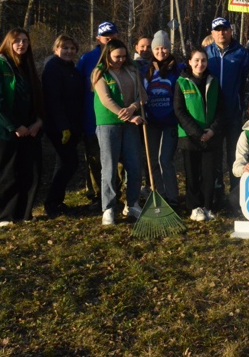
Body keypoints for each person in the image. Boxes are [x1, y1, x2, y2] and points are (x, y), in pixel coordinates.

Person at [0, 29, 43, 227]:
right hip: (0, 127)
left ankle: (22, 213)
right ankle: (2, 217)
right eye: (17, 41)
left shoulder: (28, 67)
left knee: (30, 170)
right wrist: (14, 125)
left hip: (28, 127)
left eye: (25, 41)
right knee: (5, 171)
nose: (22, 44)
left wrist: (38, 121)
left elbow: (37, 98)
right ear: (8, 43)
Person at [91, 38, 147, 225]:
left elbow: (142, 96)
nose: (120, 60)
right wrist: (129, 116)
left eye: (123, 56)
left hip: (130, 124)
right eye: (116, 56)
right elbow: (106, 100)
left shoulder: (132, 70)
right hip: (108, 123)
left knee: (134, 164)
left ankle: (132, 204)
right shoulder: (99, 73)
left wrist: (133, 107)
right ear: (107, 55)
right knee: (109, 166)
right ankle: (108, 207)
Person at [175, 48, 225, 222]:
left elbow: (220, 109)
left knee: (209, 174)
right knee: (192, 173)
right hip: (190, 137)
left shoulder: (213, 81)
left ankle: (207, 206)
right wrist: (196, 133)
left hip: (211, 135)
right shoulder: (181, 82)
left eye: (203, 60)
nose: (200, 64)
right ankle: (194, 207)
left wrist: (212, 130)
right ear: (189, 61)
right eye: (196, 60)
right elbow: (179, 110)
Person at [205, 17, 249, 198]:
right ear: (212, 33)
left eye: (224, 29)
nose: (221, 33)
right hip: (213, 115)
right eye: (217, 30)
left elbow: (247, 83)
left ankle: (236, 195)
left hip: (234, 113)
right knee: (214, 155)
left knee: (235, 155)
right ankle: (216, 193)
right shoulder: (207, 53)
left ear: (231, 31)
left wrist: (244, 109)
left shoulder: (241, 53)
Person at [41, 34, 84, 218]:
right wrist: (62, 126)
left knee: (63, 163)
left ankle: (56, 202)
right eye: (64, 48)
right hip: (59, 126)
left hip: (73, 124)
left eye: (72, 48)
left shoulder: (70, 68)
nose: (69, 51)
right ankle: (51, 202)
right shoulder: (53, 68)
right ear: (56, 49)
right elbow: (53, 100)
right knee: (70, 163)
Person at [76, 21, 118, 202]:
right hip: (91, 117)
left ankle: (117, 193)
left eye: (112, 37)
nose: (109, 40)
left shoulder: (120, 56)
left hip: (116, 117)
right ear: (98, 38)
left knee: (118, 159)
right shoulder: (87, 59)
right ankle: (96, 194)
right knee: (95, 158)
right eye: (105, 37)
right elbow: (77, 86)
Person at [141, 30, 181, 205]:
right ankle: (159, 193)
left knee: (165, 159)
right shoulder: (145, 70)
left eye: (164, 48)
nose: (160, 52)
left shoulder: (178, 69)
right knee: (152, 160)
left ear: (169, 49)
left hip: (170, 122)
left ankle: (172, 196)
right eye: (157, 48)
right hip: (151, 123)